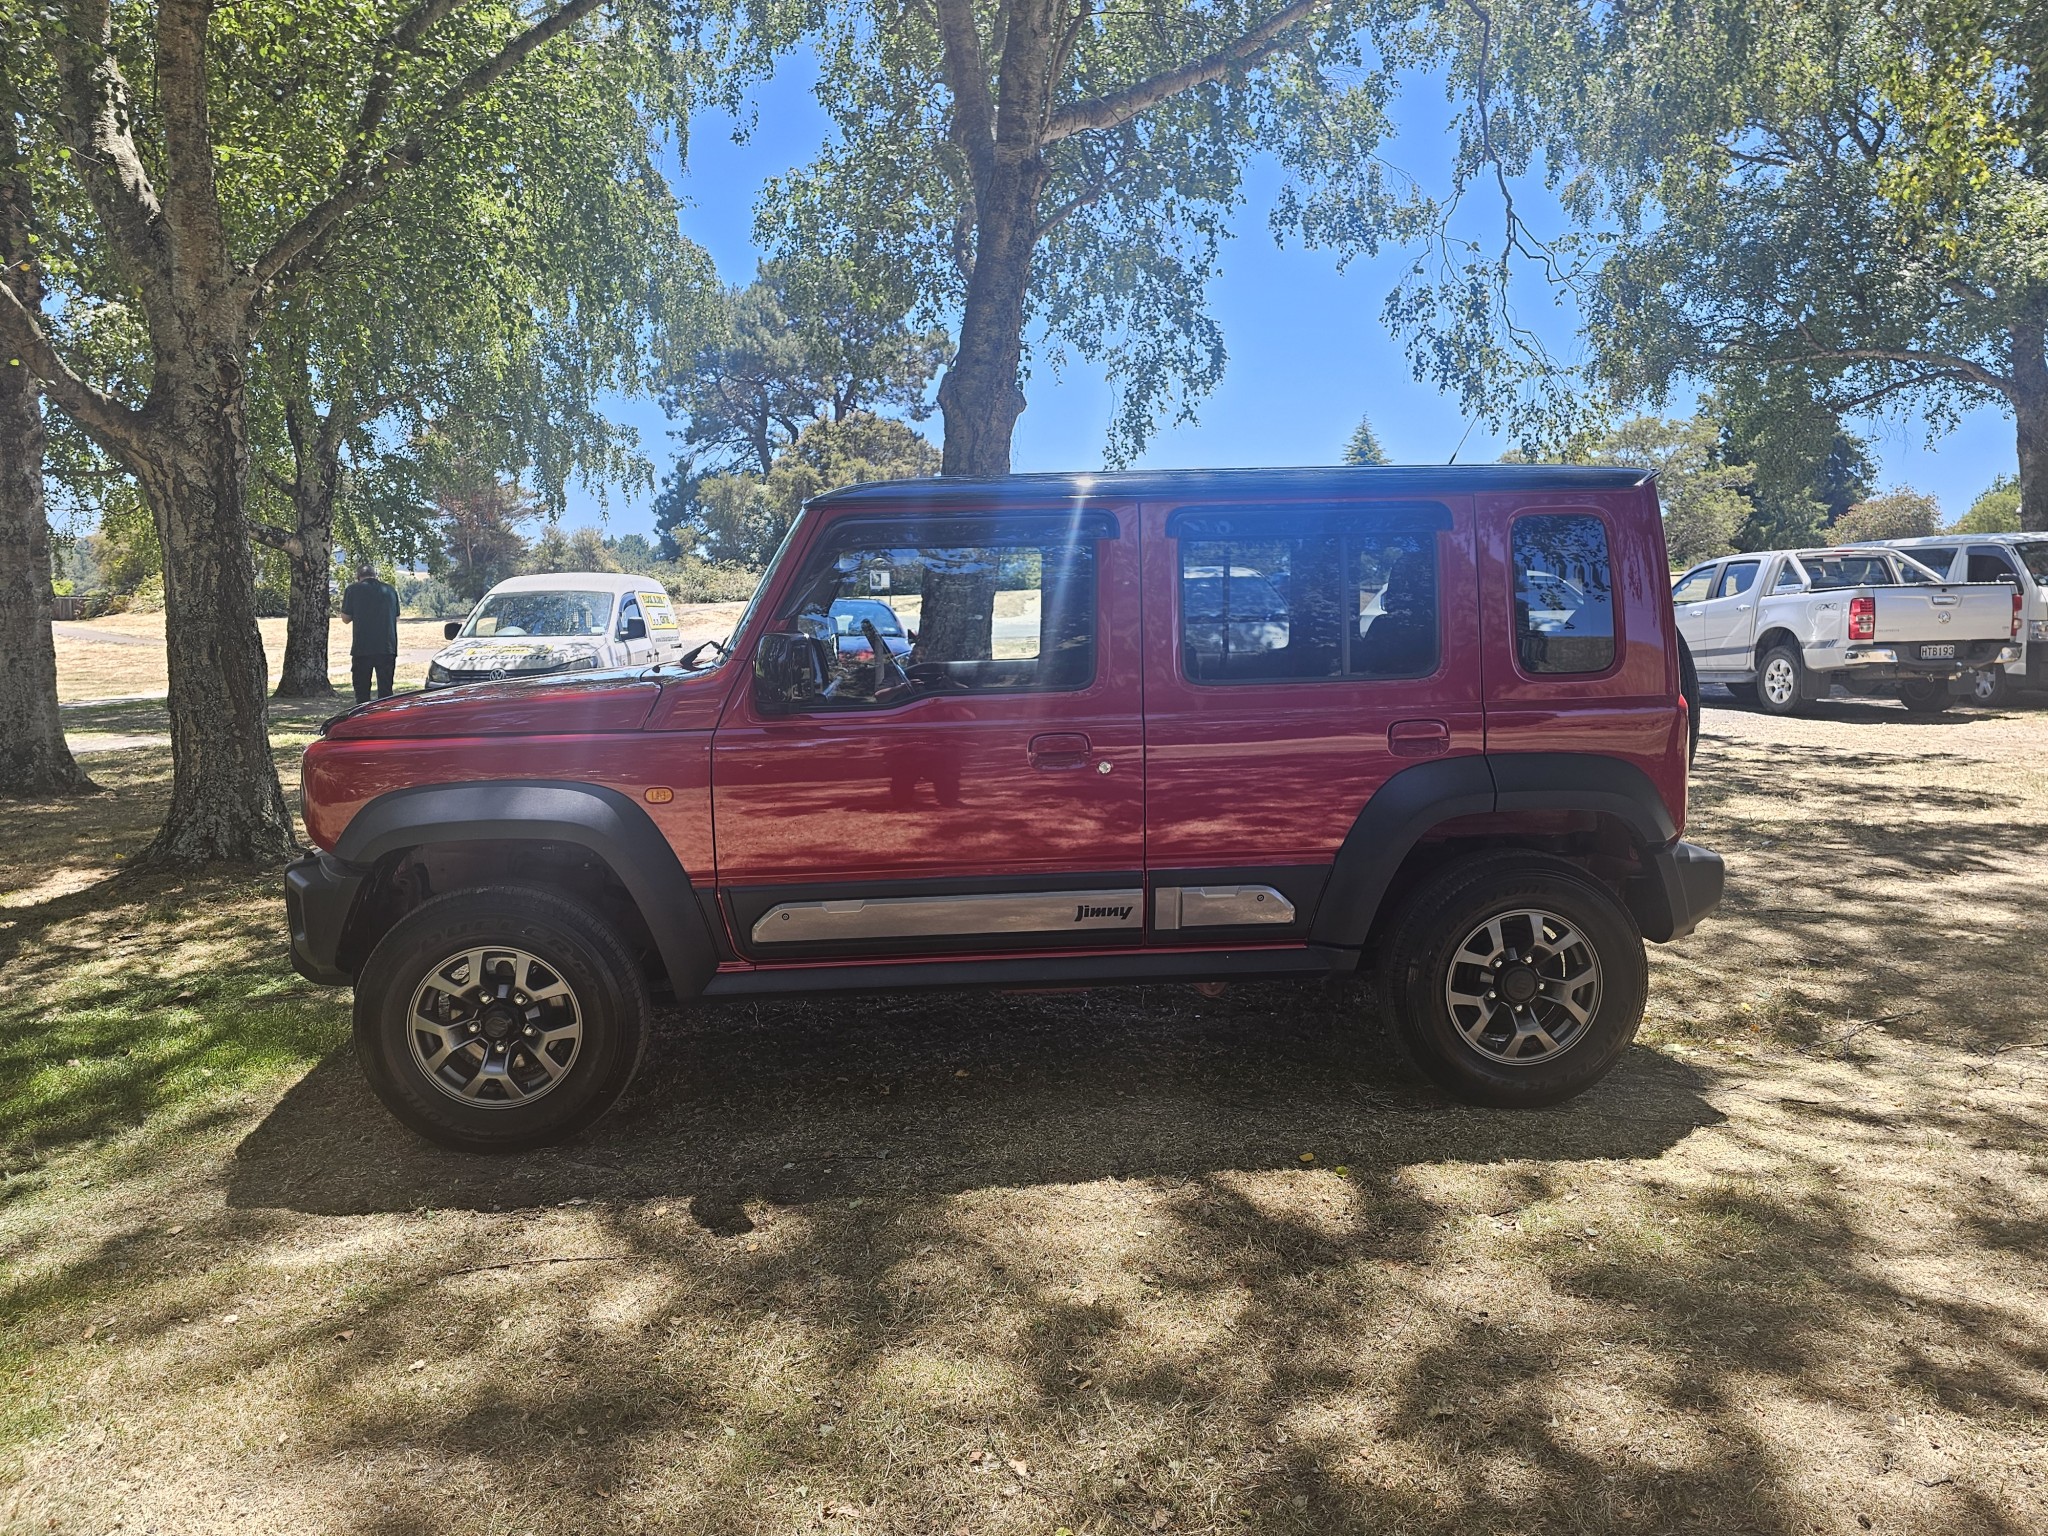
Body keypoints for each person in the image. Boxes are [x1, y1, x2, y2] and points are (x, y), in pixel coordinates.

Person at [340, 561, 400, 702]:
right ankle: (385, 718)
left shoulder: (352, 590)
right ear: (375, 575)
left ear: (358, 577)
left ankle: (363, 719)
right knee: (386, 691)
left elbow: (346, 618)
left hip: (363, 647)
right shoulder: (390, 590)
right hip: (387, 647)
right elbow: (396, 617)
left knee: (362, 692)